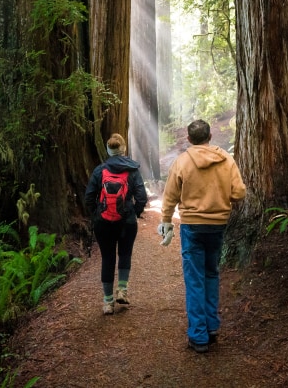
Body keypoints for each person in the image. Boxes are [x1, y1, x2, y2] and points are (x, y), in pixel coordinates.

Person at [159, 119, 246, 353]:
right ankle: (212, 327)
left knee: (195, 279)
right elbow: (239, 192)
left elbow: (169, 197)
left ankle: (198, 336)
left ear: (189, 139)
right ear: (210, 137)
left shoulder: (183, 161)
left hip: (192, 227)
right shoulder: (226, 160)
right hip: (217, 226)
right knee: (211, 274)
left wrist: (166, 220)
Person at [84, 133, 148, 315]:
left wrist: (97, 213)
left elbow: (89, 197)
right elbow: (142, 198)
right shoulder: (132, 170)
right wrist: (133, 213)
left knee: (107, 258)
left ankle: (107, 302)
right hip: (126, 221)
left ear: (108, 150)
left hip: (103, 222)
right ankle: (122, 290)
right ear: (123, 149)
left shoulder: (99, 170)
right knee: (125, 254)